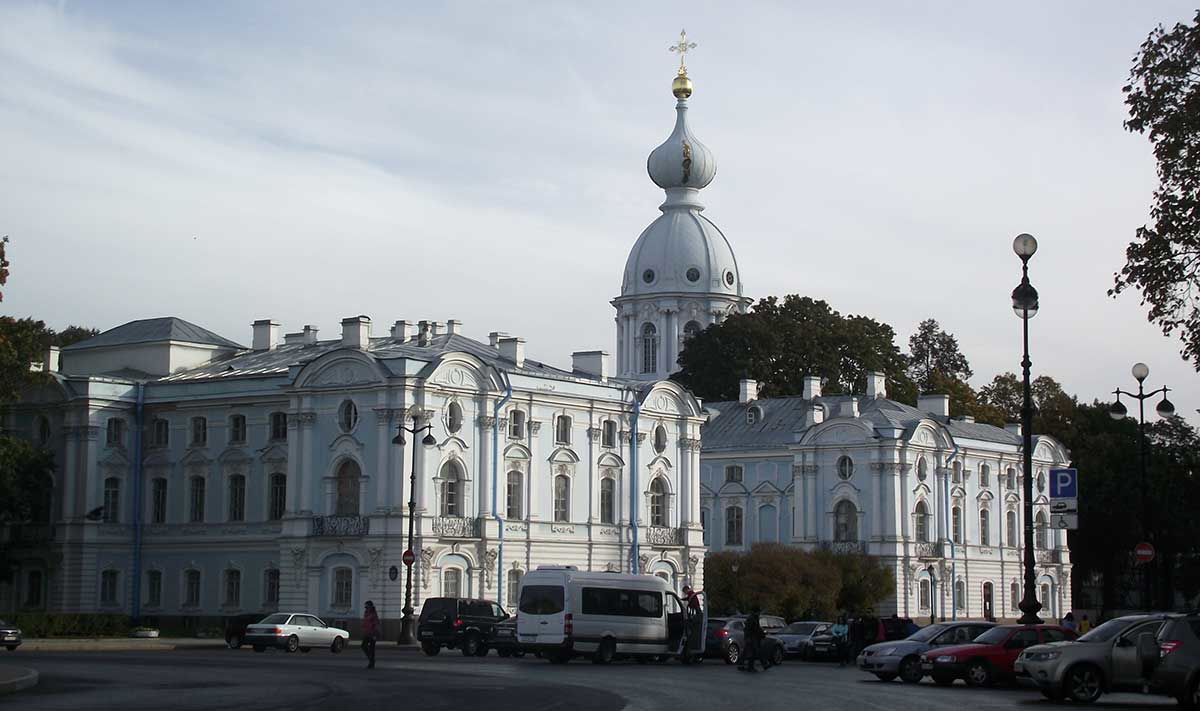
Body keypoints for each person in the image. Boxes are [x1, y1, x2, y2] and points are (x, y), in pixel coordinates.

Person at [362, 600, 380, 669]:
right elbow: (365, 621)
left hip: (372, 633)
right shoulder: (366, 613)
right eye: (365, 606)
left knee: (372, 648)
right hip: (367, 632)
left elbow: (376, 624)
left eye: (366, 606)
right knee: (363, 646)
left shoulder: (373, 614)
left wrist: (375, 634)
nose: (365, 607)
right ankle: (371, 659)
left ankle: (371, 662)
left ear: (370, 606)